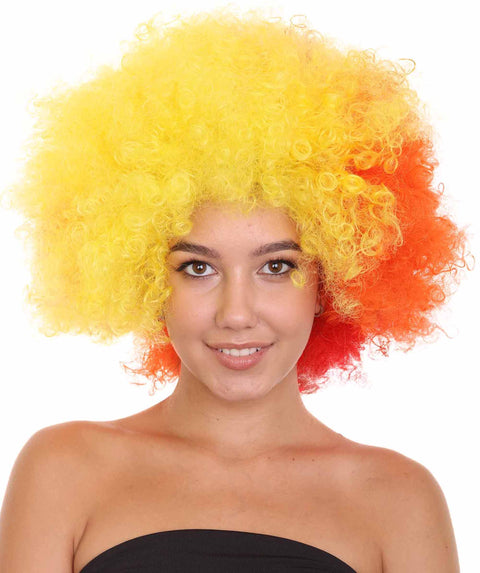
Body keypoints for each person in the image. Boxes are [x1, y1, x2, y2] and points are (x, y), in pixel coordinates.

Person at [0, 9, 466, 573]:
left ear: (333, 282)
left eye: (277, 266)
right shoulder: (65, 470)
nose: (237, 314)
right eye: (198, 268)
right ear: (147, 279)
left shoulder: (397, 500)